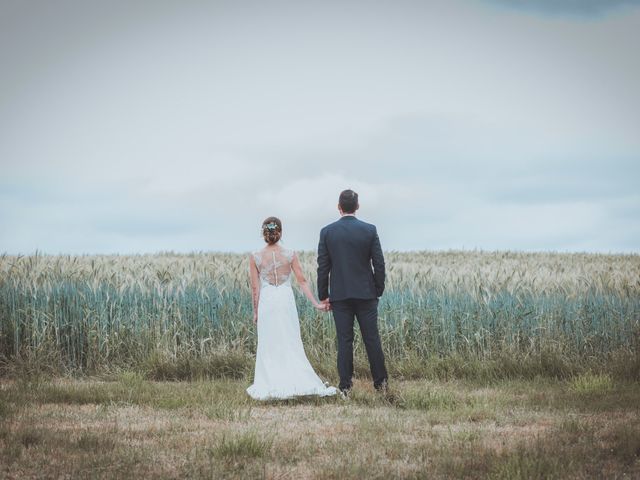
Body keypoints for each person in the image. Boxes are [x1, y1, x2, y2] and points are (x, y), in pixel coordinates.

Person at [247, 216, 337, 400]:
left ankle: (271, 382)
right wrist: (316, 303)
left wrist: (256, 312)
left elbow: (255, 288)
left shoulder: (255, 256)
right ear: (280, 232)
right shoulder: (290, 254)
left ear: (264, 233)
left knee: (269, 342)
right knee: (290, 340)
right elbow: (302, 281)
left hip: (267, 301)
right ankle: (296, 380)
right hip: (285, 299)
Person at [317, 189, 388, 396]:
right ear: (357, 207)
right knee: (372, 339)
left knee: (344, 340)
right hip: (367, 294)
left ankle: (346, 387)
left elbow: (323, 266)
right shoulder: (369, 230)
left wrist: (324, 294)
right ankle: (381, 384)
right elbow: (379, 263)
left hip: (340, 295)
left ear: (339, 207)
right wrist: (377, 289)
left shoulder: (327, 232)